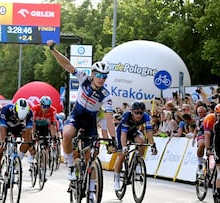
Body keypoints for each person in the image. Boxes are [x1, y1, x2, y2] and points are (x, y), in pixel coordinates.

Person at [46, 40, 116, 182]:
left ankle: (92, 188)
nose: (102, 79)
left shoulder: (106, 95)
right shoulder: (84, 78)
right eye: (99, 75)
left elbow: (109, 118)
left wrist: (113, 138)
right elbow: (67, 64)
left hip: (90, 122)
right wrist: (53, 50)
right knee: (67, 134)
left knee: (91, 157)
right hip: (77, 116)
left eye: (105, 76)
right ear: (93, 73)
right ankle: (71, 165)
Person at [0, 98, 33, 199]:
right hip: (2, 126)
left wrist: (29, 145)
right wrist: (2, 143)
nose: (20, 118)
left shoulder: (29, 113)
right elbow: (2, 129)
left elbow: (28, 132)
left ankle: (16, 160)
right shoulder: (6, 110)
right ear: (15, 110)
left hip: (17, 127)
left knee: (28, 142)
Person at [113, 101, 157, 191]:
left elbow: (149, 132)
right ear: (132, 112)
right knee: (121, 155)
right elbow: (123, 134)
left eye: (141, 113)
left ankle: (137, 163)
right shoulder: (126, 116)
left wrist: (153, 145)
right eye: (136, 112)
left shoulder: (146, 117)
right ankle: (116, 179)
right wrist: (124, 146)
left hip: (133, 132)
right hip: (121, 132)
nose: (139, 115)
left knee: (141, 141)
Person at [28, 96, 58, 163]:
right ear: (40, 105)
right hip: (36, 125)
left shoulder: (52, 110)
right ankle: (31, 154)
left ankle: (42, 163)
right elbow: (33, 123)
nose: (46, 109)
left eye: (48, 106)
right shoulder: (34, 109)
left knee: (46, 144)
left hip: (44, 126)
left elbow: (52, 125)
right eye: (44, 107)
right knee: (33, 139)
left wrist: (54, 138)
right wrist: (33, 134)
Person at [195, 105, 207, 174]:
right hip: (202, 133)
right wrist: (194, 138)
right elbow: (197, 129)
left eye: (202, 112)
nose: (200, 114)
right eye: (199, 112)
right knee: (202, 144)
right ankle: (200, 163)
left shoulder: (209, 117)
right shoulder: (198, 120)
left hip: (210, 132)